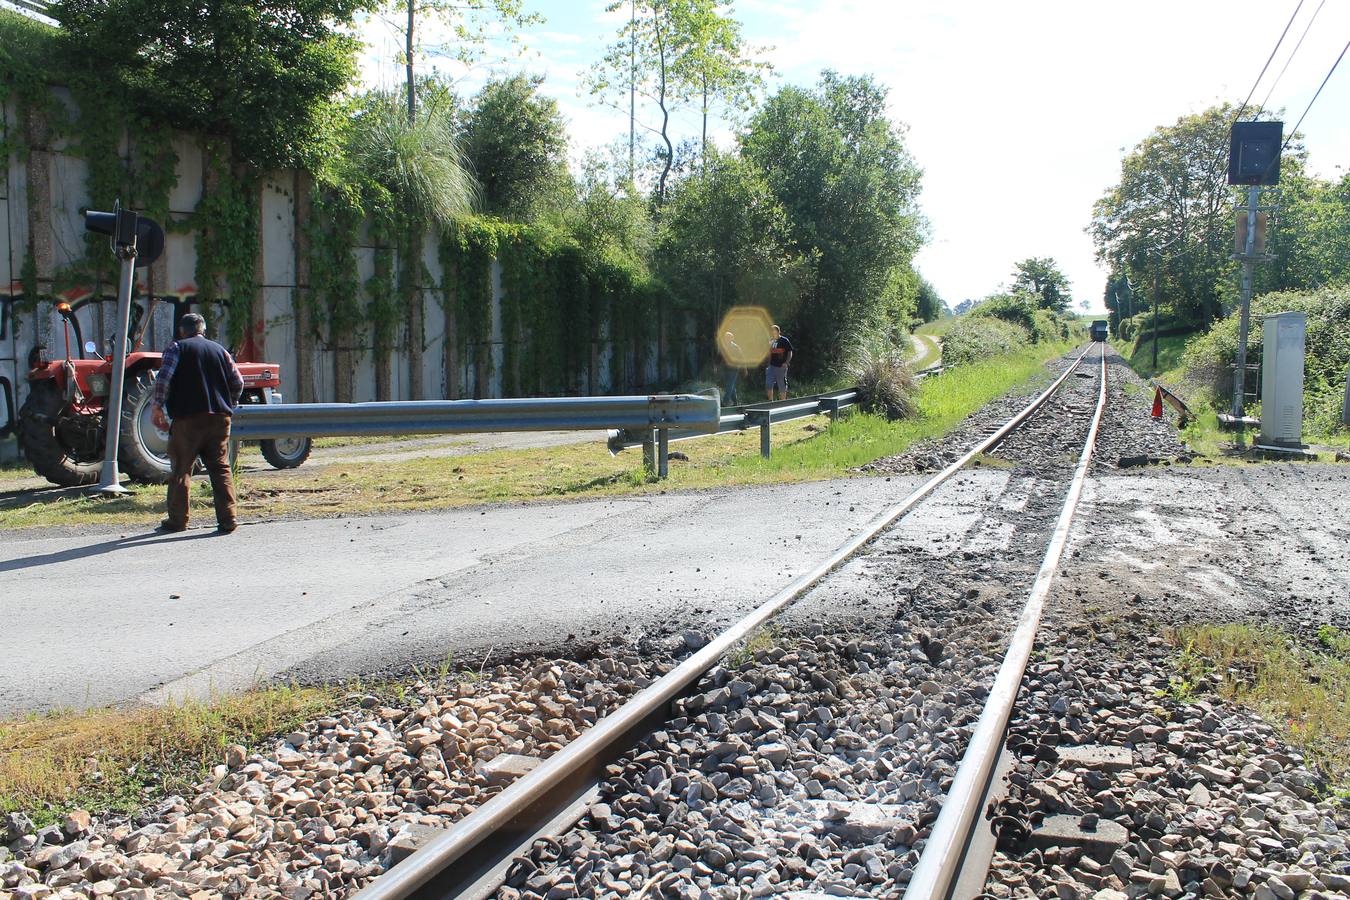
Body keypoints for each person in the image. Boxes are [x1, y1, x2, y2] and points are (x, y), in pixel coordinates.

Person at [151, 313, 243, 534]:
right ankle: (228, 519)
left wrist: (157, 407)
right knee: (221, 468)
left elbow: (164, 379)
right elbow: (238, 381)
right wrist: (228, 403)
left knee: (181, 469)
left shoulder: (177, 348)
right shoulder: (220, 350)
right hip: (220, 418)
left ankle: (178, 520)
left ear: (182, 331)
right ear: (203, 330)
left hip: (188, 418)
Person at [766, 324, 794, 400]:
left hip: (781, 366)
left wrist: (786, 362)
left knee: (781, 385)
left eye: (774, 331)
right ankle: (770, 402)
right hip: (771, 366)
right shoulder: (771, 341)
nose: (773, 333)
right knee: (768, 384)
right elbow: (769, 353)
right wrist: (768, 364)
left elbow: (790, 352)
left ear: (778, 332)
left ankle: (783, 402)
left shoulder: (784, 340)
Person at [723, 331, 742, 406]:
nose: (727, 339)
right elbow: (719, 356)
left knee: (729, 384)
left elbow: (741, 358)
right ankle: (735, 402)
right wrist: (715, 366)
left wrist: (744, 368)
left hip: (734, 368)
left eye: (728, 337)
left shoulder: (736, 347)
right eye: (726, 337)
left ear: (732, 338)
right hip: (726, 368)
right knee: (731, 385)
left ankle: (725, 401)